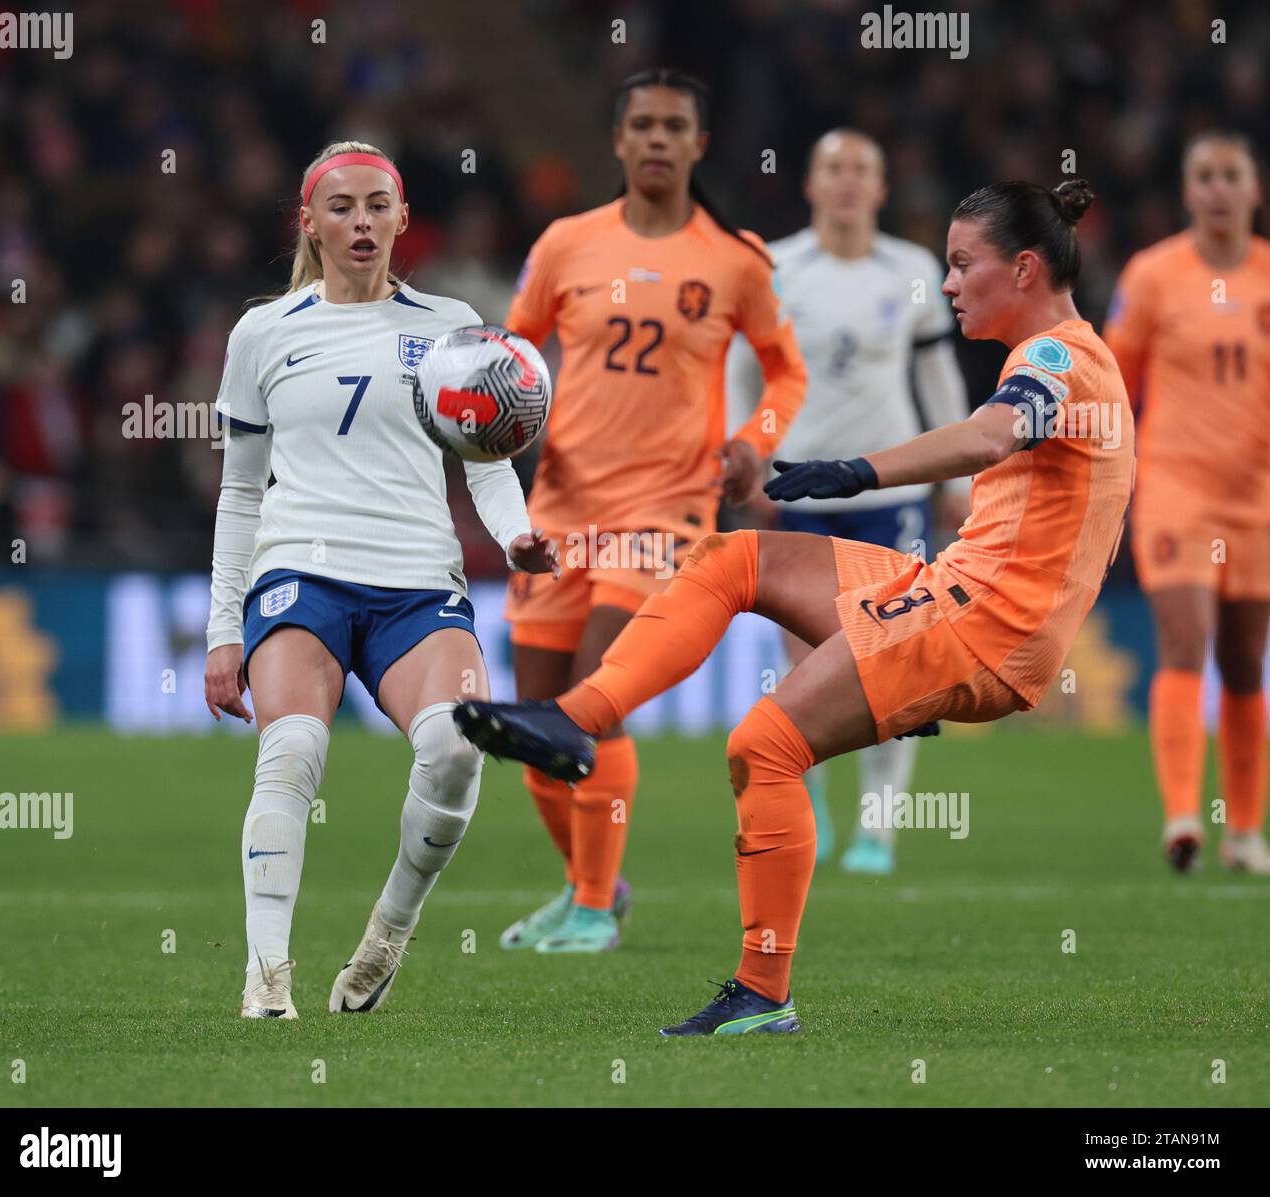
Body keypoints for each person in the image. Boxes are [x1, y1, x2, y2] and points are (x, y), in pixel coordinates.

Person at [455, 178, 1134, 1035]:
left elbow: (993, 436)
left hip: (982, 623)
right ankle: (576, 720)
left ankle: (763, 993)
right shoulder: (1071, 357)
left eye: (964, 266)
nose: (950, 284)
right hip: (956, 591)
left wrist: (861, 469)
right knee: (737, 559)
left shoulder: (1055, 359)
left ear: (1025, 268)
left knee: (763, 746)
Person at [204, 141, 557, 1019]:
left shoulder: (452, 324)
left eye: (376, 206)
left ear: (402, 219)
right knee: (291, 751)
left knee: (454, 747)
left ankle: (389, 931)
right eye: (342, 207)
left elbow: (488, 460)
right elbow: (242, 489)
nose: (360, 222)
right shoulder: (263, 332)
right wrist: (222, 628)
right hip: (300, 570)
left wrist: (517, 537)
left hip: (415, 580)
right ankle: (267, 975)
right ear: (310, 223)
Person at [496, 69, 806, 953]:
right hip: (559, 507)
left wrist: (756, 439)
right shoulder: (565, 245)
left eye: (676, 125)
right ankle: (590, 884)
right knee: (532, 717)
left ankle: (593, 909)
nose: (660, 138)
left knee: (595, 698)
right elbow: (511, 356)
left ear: (699, 143)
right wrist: (495, 438)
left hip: (666, 510)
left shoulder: (736, 259)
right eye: (644, 124)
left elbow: (786, 370)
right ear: (620, 141)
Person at [727, 128, 969, 872]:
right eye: (833, 168)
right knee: (805, 667)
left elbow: (936, 380)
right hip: (799, 485)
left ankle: (880, 828)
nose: (847, 182)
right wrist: (749, 459)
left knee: (896, 660)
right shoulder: (775, 266)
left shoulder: (913, 269)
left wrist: (955, 478)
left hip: (889, 488)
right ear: (810, 183)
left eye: (862, 168)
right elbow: (744, 367)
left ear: (882, 187)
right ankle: (812, 812)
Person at [1104, 131, 1270, 875]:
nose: (1217, 189)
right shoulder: (1153, 274)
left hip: (1258, 496)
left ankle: (1243, 831)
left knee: (1242, 660)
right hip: (1175, 485)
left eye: (1230, 175)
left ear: (1254, 189)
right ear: (1186, 190)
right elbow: (1115, 381)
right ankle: (1181, 817)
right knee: (1185, 636)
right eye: (1203, 175)